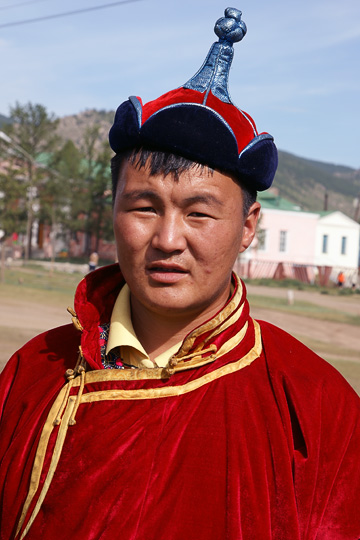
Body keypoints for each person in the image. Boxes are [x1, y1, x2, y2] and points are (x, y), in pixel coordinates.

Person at [1, 8, 360, 540]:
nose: (168, 240)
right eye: (144, 207)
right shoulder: (33, 371)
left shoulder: (314, 405)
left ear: (247, 226)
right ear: (113, 210)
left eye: (199, 213)